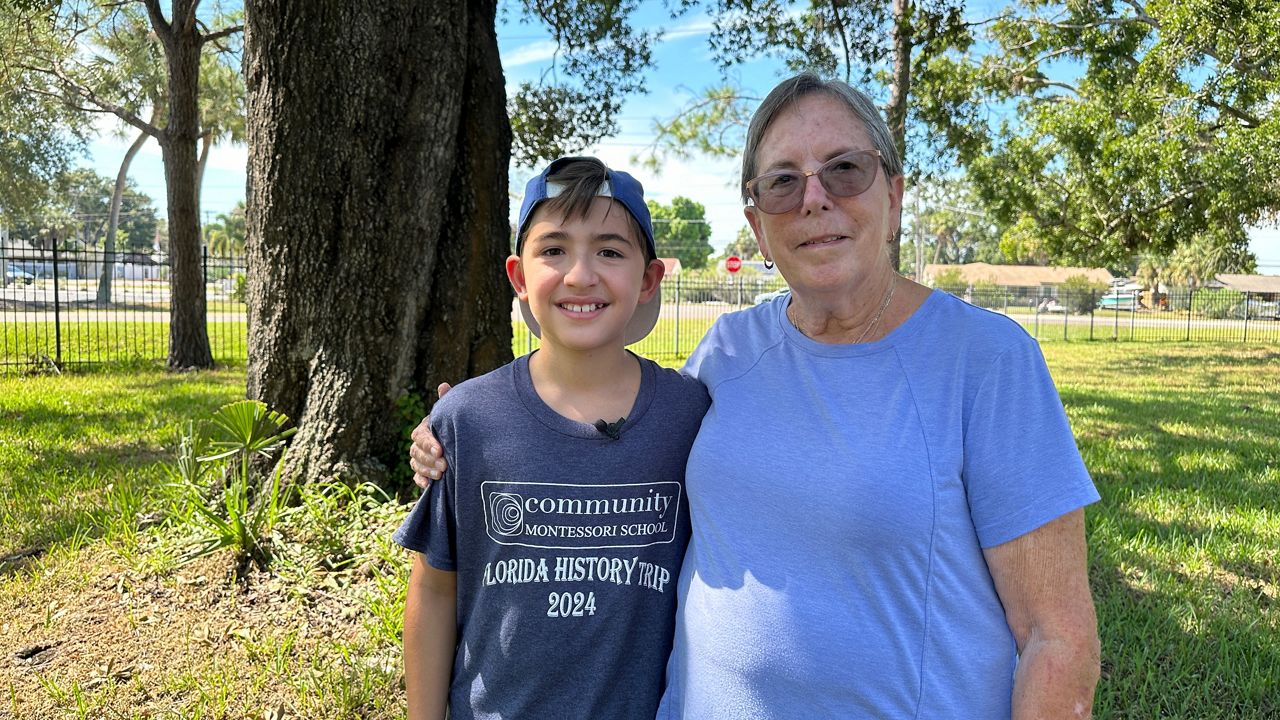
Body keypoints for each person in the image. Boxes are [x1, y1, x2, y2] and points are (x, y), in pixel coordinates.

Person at [410, 73, 1101, 719]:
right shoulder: (729, 351)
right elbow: (604, 419)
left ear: (893, 196)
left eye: (845, 170)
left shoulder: (987, 361)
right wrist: (461, 428)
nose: (814, 198)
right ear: (757, 226)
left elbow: (1057, 640)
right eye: (782, 182)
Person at [394, 156, 710, 720]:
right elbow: (436, 589)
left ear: (648, 279)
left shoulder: (691, 415)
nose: (580, 275)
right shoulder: (467, 420)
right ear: (518, 276)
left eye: (610, 251)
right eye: (554, 250)